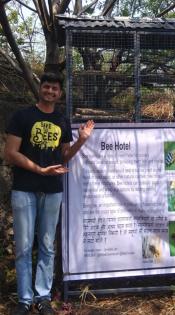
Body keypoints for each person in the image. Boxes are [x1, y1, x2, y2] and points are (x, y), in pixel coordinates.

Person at [4, 72, 95, 314]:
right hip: (25, 190)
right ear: (40, 89)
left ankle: (42, 297)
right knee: (23, 246)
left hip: (53, 191)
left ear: (60, 93)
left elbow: (65, 156)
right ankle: (24, 300)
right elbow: (10, 153)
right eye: (47, 87)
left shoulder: (62, 121)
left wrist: (82, 140)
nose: (50, 92)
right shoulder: (22, 116)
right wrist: (39, 169)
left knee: (47, 245)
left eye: (55, 89)